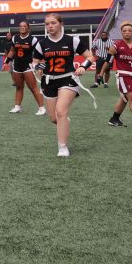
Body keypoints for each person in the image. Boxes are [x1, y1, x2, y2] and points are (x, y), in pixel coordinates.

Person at [33, 13, 96, 157]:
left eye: (53, 23)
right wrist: (38, 67)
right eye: (47, 24)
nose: (50, 26)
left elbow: (90, 56)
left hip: (68, 79)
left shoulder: (72, 41)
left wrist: (83, 67)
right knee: (54, 118)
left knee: (61, 111)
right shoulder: (41, 44)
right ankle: (64, 122)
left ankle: (62, 147)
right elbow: (35, 63)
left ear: (61, 24)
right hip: (49, 81)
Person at [7, 21, 47, 115]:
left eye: (24, 26)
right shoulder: (14, 38)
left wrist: (39, 64)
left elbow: (40, 52)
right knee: (19, 87)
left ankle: (42, 108)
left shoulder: (33, 39)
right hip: (17, 65)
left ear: (28, 28)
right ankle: (17, 107)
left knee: (33, 88)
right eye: (20, 26)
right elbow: (12, 51)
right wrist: (7, 61)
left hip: (28, 66)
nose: (22, 27)